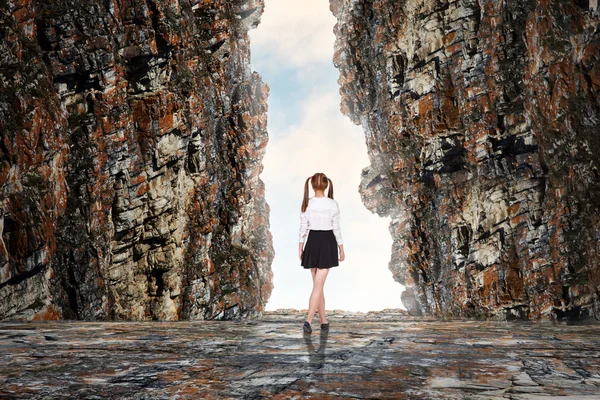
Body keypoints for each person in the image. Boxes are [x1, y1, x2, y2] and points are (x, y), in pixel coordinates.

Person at [298, 172, 345, 334]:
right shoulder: (333, 204)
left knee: (318, 285)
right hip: (327, 242)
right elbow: (336, 228)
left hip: (312, 241)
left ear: (312, 186)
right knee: (318, 285)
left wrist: (300, 247)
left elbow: (303, 228)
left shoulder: (307, 203)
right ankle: (308, 321)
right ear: (326, 185)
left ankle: (324, 321)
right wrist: (341, 248)